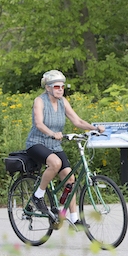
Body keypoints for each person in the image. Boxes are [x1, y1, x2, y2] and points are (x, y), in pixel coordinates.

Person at [25, 69, 104, 226]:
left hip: (54, 145)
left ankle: (74, 219)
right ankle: (38, 195)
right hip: (37, 143)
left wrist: (94, 128)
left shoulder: (63, 102)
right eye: (56, 87)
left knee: (70, 178)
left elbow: (77, 121)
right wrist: (52, 133)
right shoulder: (40, 101)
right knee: (55, 163)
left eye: (62, 86)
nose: (60, 89)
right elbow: (39, 123)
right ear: (48, 87)